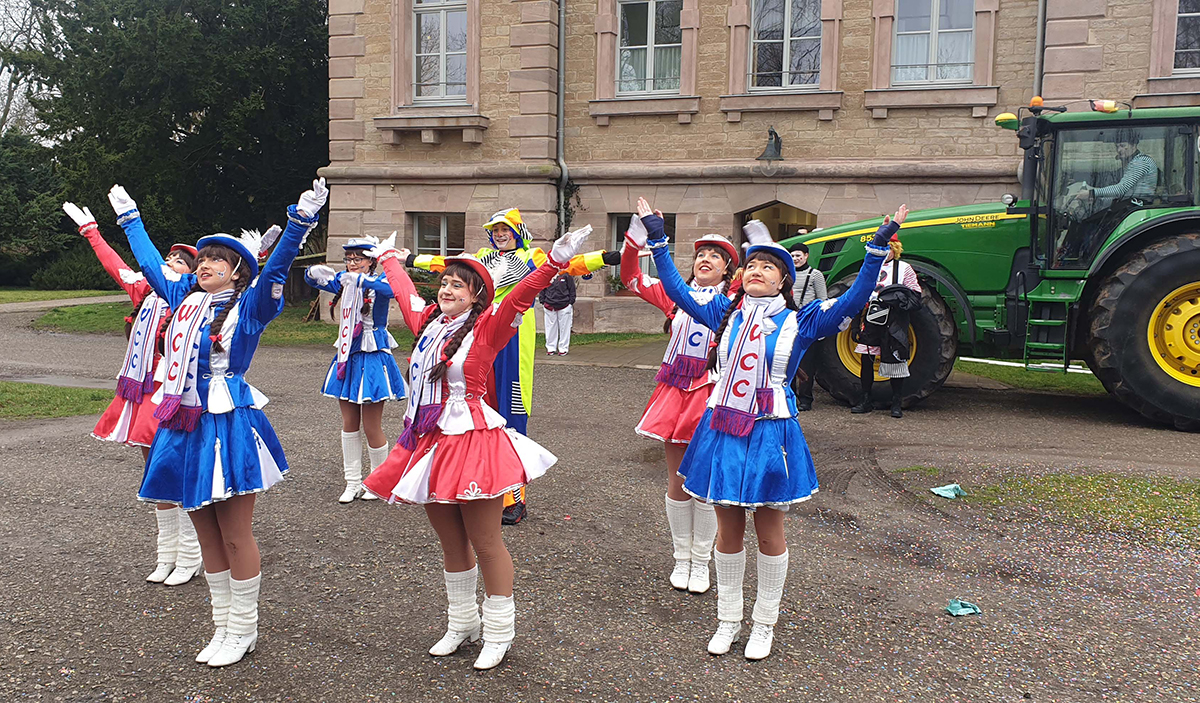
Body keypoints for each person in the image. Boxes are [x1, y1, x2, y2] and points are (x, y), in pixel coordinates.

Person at [640, 195, 907, 660]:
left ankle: (764, 623)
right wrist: (659, 240)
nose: (758, 269)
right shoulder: (724, 314)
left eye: (769, 265)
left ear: (785, 280)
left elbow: (855, 298)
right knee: (728, 531)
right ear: (740, 277)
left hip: (770, 434)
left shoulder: (801, 322)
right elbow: (677, 291)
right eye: (753, 264)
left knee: (768, 531)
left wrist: (878, 246)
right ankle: (728, 619)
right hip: (723, 430)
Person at [109, 177, 328, 667]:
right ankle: (221, 624)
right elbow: (147, 264)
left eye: (218, 260)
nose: (205, 264)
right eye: (203, 257)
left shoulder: (250, 308)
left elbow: (275, 267)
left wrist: (299, 223)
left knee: (234, 532)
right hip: (183, 420)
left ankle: (244, 629)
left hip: (227, 419)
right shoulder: (181, 299)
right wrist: (132, 220)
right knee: (205, 531)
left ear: (236, 273)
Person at [362, 226, 596, 671]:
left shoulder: (488, 328)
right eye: (445, 283)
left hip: (472, 439)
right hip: (428, 440)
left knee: (486, 542)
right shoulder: (428, 324)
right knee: (450, 543)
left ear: (475, 297)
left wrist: (552, 261)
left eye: (459, 285)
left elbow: (519, 299)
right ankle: (461, 622)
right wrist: (390, 257)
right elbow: (406, 292)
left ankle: (500, 631)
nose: (448, 289)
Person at [405, 207, 619, 524]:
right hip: (477, 334)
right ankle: (475, 484)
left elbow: (569, 265)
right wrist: (410, 260)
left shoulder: (532, 255)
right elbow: (445, 264)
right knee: (475, 410)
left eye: (505, 229)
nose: (499, 234)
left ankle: (514, 498)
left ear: (517, 230)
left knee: (512, 412)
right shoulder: (481, 255)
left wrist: (606, 256)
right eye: (495, 229)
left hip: (514, 339)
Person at [63, 202, 204, 587]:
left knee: (179, 468)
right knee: (154, 471)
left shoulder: (188, 298)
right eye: (171, 256)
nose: (173, 261)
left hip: (173, 393)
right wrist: (91, 230)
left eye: (181, 260)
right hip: (141, 392)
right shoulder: (141, 290)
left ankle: (192, 554)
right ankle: (166, 553)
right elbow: (113, 262)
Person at [620, 224, 738, 594]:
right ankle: (681, 558)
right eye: (701, 254)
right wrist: (632, 241)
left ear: (727, 270)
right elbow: (630, 276)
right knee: (677, 481)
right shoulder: (676, 295)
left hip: (711, 393)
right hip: (675, 392)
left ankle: (701, 562)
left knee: (702, 483)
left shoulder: (734, 302)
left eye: (716, 256)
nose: (706, 259)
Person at [304, 237, 407, 503]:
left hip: (372, 355)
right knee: (349, 423)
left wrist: (360, 281)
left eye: (357, 259)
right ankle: (352, 482)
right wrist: (313, 272)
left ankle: (377, 481)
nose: (351, 264)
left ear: (371, 261)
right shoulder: (345, 280)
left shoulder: (378, 282)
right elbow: (316, 280)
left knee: (372, 425)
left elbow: (391, 291)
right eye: (348, 259)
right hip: (347, 354)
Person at [851, 231, 920, 418]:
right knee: (866, 359)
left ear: (895, 249)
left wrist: (900, 302)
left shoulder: (904, 268)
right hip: (871, 318)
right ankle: (865, 400)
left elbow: (915, 295)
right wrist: (855, 325)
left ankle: (896, 403)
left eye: (889, 248)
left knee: (896, 360)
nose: (886, 251)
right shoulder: (869, 267)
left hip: (894, 320)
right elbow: (858, 295)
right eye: (883, 247)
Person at [789, 242, 827, 412]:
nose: (795, 259)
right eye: (793, 256)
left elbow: (823, 301)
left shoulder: (815, 275)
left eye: (798, 255)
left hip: (808, 323)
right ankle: (789, 395)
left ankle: (805, 399)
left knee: (806, 364)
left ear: (806, 256)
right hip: (789, 322)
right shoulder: (787, 274)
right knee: (787, 361)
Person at [1074, 130, 1158, 205]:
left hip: (1138, 207)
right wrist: (1097, 200)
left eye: (1122, 145)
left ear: (1134, 146)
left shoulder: (1141, 162)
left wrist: (1091, 193)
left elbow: (1120, 189)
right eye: (1117, 146)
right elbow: (1121, 196)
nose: (1119, 150)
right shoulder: (1134, 162)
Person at [539, 270, 576, 356]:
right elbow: (542, 288)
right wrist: (543, 301)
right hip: (549, 305)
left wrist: (570, 302)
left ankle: (563, 348)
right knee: (550, 327)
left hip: (564, 305)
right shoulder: (547, 273)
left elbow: (572, 289)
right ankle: (550, 348)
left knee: (565, 328)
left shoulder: (566, 274)